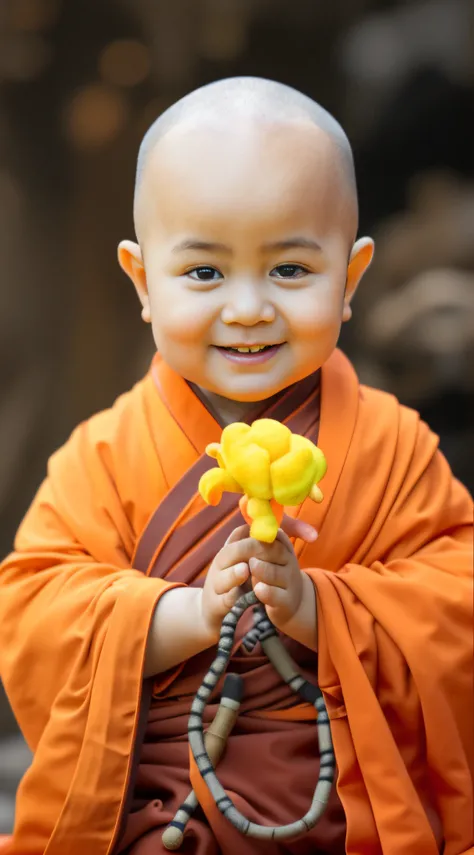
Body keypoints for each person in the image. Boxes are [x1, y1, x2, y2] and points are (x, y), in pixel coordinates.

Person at [0, 77, 472, 855]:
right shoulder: (104, 454)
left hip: (350, 808)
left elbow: (457, 605)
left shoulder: (396, 445)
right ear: (143, 280)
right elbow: (33, 615)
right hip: (160, 811)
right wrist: (172, 619)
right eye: (205, 273)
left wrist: (325, 609)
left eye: (290, 270)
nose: (248, 307)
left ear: (351, 280)